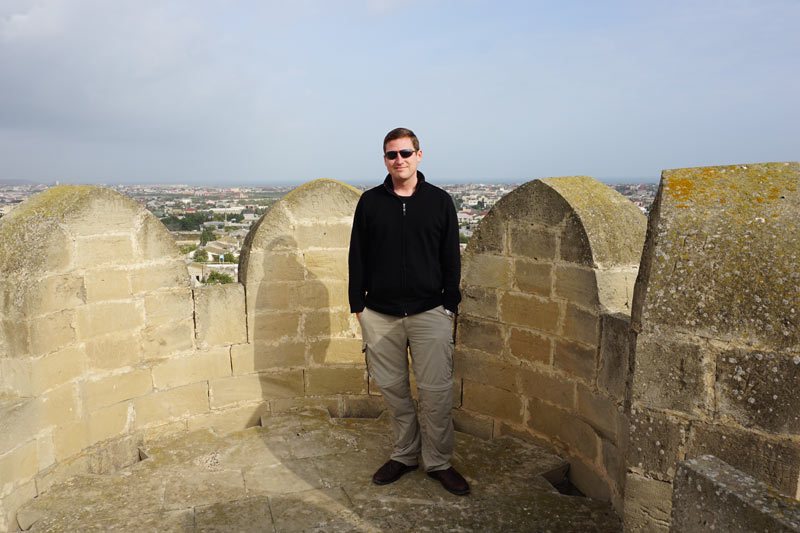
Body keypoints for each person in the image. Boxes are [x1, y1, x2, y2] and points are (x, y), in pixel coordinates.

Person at [348, 127, 469, 496]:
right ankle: (404, 455)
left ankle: (439, 462)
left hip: (429, 311)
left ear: (419, 155)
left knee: (436, 393)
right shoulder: (370, 203)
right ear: (384, 160)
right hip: (380, 314)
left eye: (404, 153)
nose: (398, 160)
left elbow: (450, 256)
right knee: (394, 390)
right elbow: (358, 256)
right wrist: (359, 307)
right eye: (391, 155)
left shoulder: (439, 202)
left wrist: (449, 305)